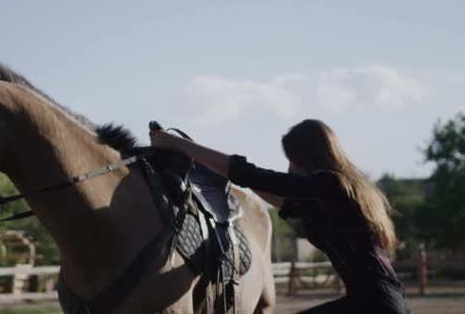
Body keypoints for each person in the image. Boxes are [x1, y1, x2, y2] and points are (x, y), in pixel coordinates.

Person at [149, 119, 409, 314]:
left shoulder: (329, 184)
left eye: (292, 160)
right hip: (381, 300)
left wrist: (180, 145)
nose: (289, 167)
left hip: (373, 303)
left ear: (307, 157)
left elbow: (253, 175)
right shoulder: (336, 192)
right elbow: (276, 197)